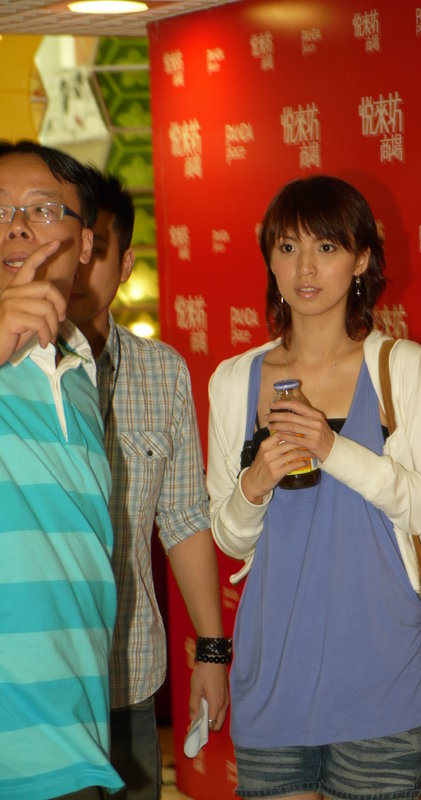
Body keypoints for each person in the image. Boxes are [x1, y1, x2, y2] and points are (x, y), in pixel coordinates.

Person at [207, 174, 421, 800]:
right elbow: (229, 537)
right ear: (270, 261)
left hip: (382, 671)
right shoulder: (234, 380)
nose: (305, 267)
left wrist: (334, 450)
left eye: (326, 247)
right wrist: (255, 483)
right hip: (273, 671)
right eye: (287, 247)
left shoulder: (400, 366)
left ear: (362, 259)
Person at [67, 168, 229, 800]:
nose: (80, 264)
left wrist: (211, 652)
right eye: (70, 245)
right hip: (32, 682)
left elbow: (184, 517)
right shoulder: (12, 365)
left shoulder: (163, 374)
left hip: (127, 672)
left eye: (97, 248)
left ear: (126, 263)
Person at [0, 140, 123, 798]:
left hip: (77, 733)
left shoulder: (79, 366)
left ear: (86, 246)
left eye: (43, 209)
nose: (17, 225)